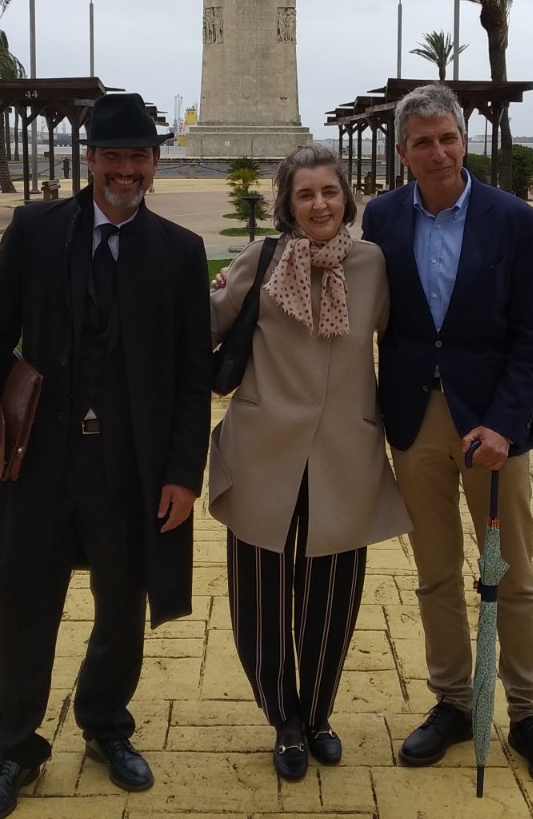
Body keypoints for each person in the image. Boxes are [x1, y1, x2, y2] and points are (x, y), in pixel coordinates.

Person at [0, 92, 213, 819]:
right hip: (41, 457)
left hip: (129, 466)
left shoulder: (178, 253)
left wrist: (180, 475)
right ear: (91, 161)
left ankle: (105, 724)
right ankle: (16, 747)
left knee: (122, 603)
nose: (125, 170)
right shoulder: (37, 232)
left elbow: (193, 378)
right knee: (25, 602)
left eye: (139, 156)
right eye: (112, 156)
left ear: (155, 163)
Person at [360, 83, 533, 792]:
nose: (439, 151)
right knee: (436, 573)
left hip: (491, 427)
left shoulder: (512, 220)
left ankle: (528, 713)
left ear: (463, 139)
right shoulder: (383, 218)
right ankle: (453, 701)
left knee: (509, 571)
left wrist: (506, 426)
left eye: (447, 137)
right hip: (415, 421)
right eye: (422, 142)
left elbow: (531, 333)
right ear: (403, 153)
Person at [209, 143, 409, 781]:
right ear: (287, 205)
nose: (319, 204)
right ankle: (284, 718)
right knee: (260, 596)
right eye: (305, 194)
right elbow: (200, 324)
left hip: (344, 455)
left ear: (346, 196)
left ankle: (318, 713)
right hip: (265, 449)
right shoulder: (261, 260)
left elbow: (409, 340)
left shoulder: (374, 264)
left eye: (330, 191)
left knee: (333, 596)